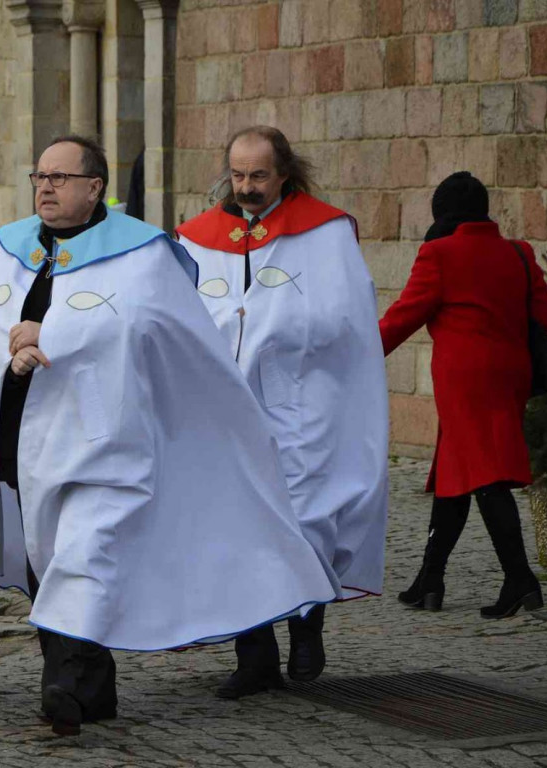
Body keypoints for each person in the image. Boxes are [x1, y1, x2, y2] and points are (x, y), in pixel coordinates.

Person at [0, 135, 337, 735]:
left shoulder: (141, 255)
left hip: (104, 438)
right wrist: (10, 350)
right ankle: (92, 687)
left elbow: (152, 334)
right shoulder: (9, 249)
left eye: (60, 178)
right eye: (40, 177)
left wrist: (51, 335)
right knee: (45, 559)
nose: (46, 188)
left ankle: (64, 685)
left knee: (85, 554)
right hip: (18, 435)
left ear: (95, 188)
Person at [177, 126, 389, 699]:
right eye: (237, 175)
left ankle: (306, 626)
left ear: (285, 173)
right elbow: (182, 312)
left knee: (305, 516)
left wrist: (271, 326)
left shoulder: (324, 232)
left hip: (299, 400)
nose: (246, 187)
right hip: (226, 406)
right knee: (233, 521)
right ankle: (255, 656)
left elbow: (344, 316)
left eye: (258, 176)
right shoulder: (198, 238)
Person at [379, 171, 547, 618]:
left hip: (465, 379)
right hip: (511, 373)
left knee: (485, 474)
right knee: (457, 472)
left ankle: (520, 579)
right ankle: (430, 579)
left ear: (441, 212)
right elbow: (544, 316)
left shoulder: (439, 254)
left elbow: (403, 317)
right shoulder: (519, 252)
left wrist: (355, 355)